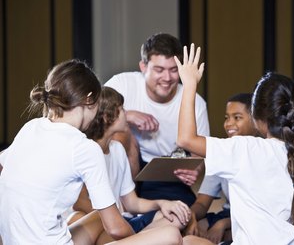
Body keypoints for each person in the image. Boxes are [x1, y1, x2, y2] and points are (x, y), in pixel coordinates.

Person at [175, 44, 294, 244]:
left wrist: (189, 84)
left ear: (256, 117)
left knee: (188, 242)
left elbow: (185, 139)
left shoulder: (243, 149)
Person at [0, 60, 134, 243]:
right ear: (88, 99)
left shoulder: (30, 127)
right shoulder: (85, 148)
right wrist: (139, 239)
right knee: (170, 235)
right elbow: (116, 228)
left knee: (97, 218)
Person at [69, 86, 191, 244]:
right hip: (103, 226)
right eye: (122, 109)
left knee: (176, 217)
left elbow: (132, 203)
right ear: (107, 117)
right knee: (171, 235)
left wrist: (163, 203)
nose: (126, 114)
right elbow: (82, 205)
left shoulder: (117, 149)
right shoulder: (87, 151)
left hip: (122, 223)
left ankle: (139, 240)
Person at [105, 33, 210, 206]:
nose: (167, 78)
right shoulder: (122, 83)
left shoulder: (196, 102)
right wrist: (127, 115)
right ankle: (119, 202)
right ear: (143, 67)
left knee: (180, 215)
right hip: (127, 167)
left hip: (166, 171)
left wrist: (193, 170)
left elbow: (199, 152)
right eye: (159, 70)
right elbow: (94, 117)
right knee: (120, 132)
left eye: (174, 70)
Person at [184, 92, 257, 244]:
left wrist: (222, 225)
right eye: (226, 117)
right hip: (228, 213)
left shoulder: (262, 153)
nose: (229, 124)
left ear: (256, 120)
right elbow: (202, 203)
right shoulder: (222, 153)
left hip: (254, 217)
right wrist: (191, 217)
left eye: (237, 117)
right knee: (191, 230)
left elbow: (259, 211)